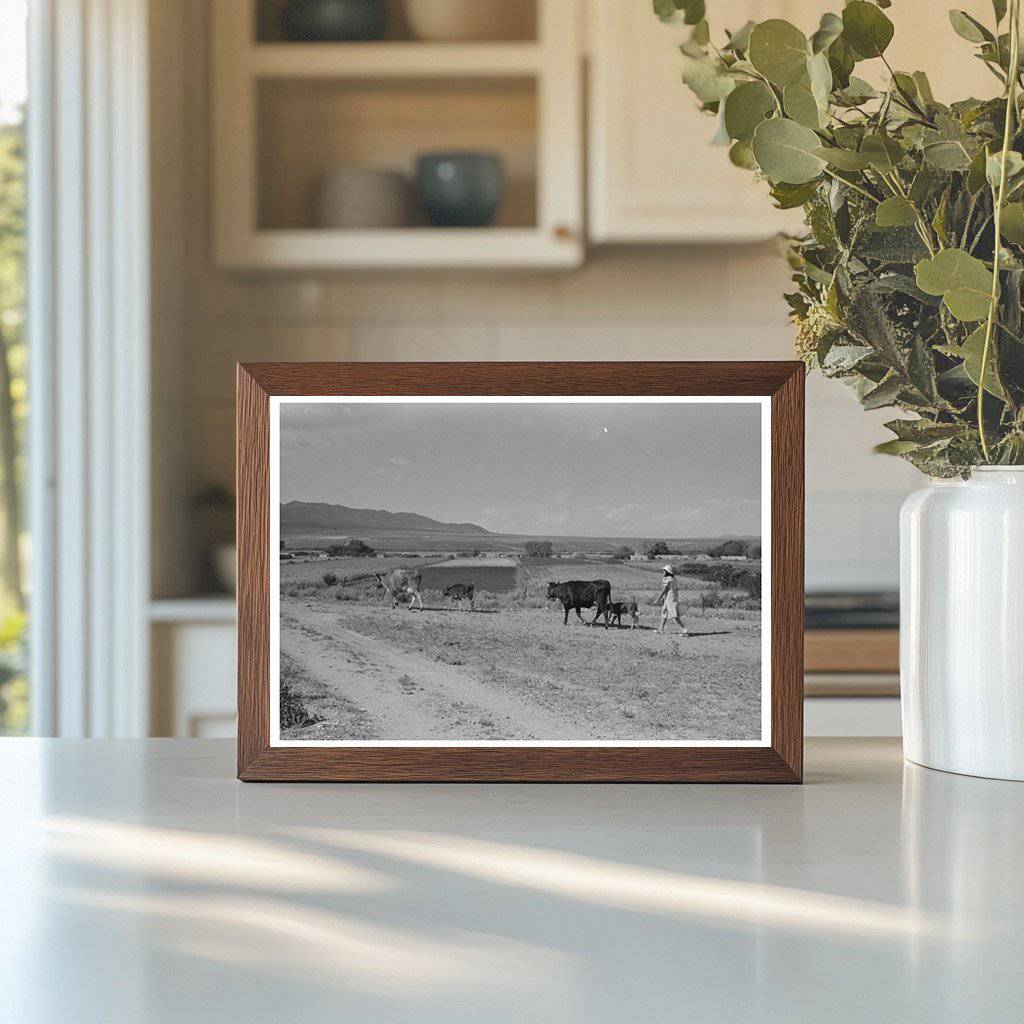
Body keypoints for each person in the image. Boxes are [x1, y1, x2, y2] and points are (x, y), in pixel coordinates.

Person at [656, 564, 688, 636]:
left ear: (667, 572)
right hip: (672, 598)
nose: (663, 572)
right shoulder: (674, 579)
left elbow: (664, 590)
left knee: (674, 614)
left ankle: (683, 629)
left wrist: (657, 599)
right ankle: (660, 629)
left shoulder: (667, 580)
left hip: (670, 599)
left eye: (664, 571)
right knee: (664, 612)